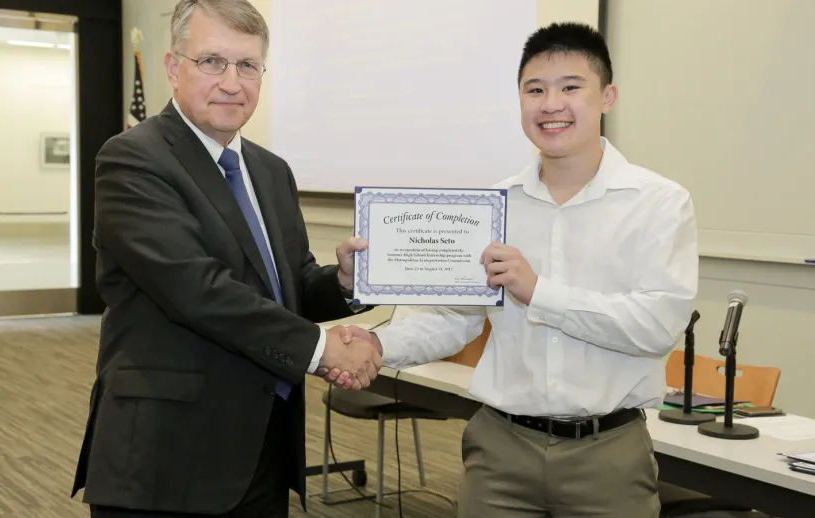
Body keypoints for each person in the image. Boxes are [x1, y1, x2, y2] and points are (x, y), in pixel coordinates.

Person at [332, 22, 698, 517]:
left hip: (607, 454)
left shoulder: (658, 203)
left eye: (571, 87)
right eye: (535, 89)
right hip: (500, 451)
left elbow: (655, 327)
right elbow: (453, 319)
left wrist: (538, 291)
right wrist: (378, 344)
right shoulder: (491, 207)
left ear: (607, 96)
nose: (551, 104)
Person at [70, 1, 381, 517]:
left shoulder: (270, 170)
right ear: (173, 68)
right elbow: (196, 290)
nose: (232, 82)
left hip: (262, 447)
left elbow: (288, 285)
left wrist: (341, 283)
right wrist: (322, 349)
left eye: (248, 65)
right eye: (212, 61)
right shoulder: (133, 159)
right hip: (166, 458)